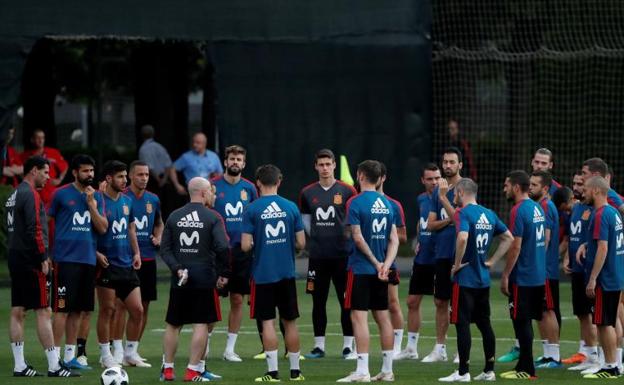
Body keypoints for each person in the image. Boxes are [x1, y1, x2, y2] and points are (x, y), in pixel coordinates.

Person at [7, 155, 77, 377]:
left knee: (18, 310)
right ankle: (54, 366)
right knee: (44, 310)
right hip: (30, 259)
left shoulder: (13, 194)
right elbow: (35, 229)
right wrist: (43, 257)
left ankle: (20, 365)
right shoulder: (31, 195)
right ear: (33, 171)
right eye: (46, 172)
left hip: (15, 256)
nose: (49, 177)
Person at [438, 178, 513, 382]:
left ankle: (463, 372)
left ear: (462, 192)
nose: (454, 198)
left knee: (462, 325)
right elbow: (508, 237)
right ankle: (489, 370)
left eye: (455, 194)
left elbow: (462, 238)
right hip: (483, 280)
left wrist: (456, 264)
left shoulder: (463, 213)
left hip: (465, 280)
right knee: (484, 324)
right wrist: (492, 261)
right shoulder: (489, 214)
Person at [159, 177, 230, 382]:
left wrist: (177, 268)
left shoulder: (174, 216)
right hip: (204, 277)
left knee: (174, 324)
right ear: (204, 192)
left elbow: (165, 249)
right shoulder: (212, 217)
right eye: (211, 191)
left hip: (180, 278)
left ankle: (168, 369)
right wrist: (225, 273)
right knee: (201, 323)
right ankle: (192, 371)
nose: (212, 194)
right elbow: (223, 247)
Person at [241, 164, 306, 382]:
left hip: (263, 274)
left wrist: (258, 242)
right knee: (290, 322)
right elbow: (301, 243)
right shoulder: (290, 207)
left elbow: (244, 245)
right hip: (286, 273)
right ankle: (296, 373)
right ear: (279, 181)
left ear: (258, 182)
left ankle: (273, 373)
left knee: (267, 322)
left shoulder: (251, 209)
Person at [337, 160, 399, 382]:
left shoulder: (355, 202)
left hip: (362, 269)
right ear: (379, 178)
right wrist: (385, 264)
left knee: (359, 317)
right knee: (382, 317)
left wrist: (375, 263)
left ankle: (362, 371)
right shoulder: (387, 204)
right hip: (381, 270)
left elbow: (357, 236)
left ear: (361, 175)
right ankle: (387, 369)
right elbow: (394, 240)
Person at [48, 154, 108, 370]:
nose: (90, 175)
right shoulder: (60, 194)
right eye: (85, 171)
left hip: (88, 262)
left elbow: (102, 228)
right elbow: (46, 222)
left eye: (92, 171)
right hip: (66, 261)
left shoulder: (97, 197)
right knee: (62, 309)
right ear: (75, 172)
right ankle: (53, 359)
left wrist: (91, 204)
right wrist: (47, 253)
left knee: (79, 311)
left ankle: (71, 357)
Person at [298, 149, 357, 360]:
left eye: (328, 164)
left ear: (334, 165)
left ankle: (348, 346)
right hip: (318, 257)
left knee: (346, 301)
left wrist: (345, 237)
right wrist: (319, 237)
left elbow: (353, 219)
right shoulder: (307, 193)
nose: (324, 168)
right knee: (318, 301)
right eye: (320, 164)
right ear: (315, 166)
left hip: (343, 256)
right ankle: (319, 347)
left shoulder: (348, 191)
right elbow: (306, 221)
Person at [110, 161, 163, 367]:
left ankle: (133, 350)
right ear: (130, 176)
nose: (144, 178)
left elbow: (159, 223)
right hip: (125, 259)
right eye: (140, 174)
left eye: (147, 174)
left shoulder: (153, 199)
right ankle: (117, 350)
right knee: (120, 305)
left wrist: (158, 237)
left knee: (144, 306)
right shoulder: (122, 198)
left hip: (148, 259)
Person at [210, 145, 259, 362]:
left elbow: (256, 217)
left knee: (237, 299)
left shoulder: (249, 188)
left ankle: (230, 349)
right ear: (225, 162)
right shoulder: (212, 186)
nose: (235, 162)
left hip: (241, 252)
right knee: (211, 300)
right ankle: (205, 344)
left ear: (244, 163)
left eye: (239, 159)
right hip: (216, 252)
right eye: (232, 159)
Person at [95, 161, 144, 369]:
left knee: (138, 310)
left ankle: (129, 354)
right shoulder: (97, 200)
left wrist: (136, 252)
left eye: (125, 176)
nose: (125, 180)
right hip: (107, 264)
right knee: (108, 310)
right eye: (120, 177)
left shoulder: (127, 201)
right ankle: (105, 355)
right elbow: (88, 229)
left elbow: (131, 228)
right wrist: (95, 252)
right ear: (108, 179)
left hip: (126, 263)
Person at [499, 170, 546, 380]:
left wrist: (506, 274)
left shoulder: (518, 210)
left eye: (507, 185)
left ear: (516, 187)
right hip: (537, 274)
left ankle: (527, 369)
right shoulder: (537, 208)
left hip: (523, 276)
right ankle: (523, 366)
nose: (504, 189)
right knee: (525, 321)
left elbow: (515, 246)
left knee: (521, 321)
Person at [577, 176, 624, 379]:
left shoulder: (600, 214)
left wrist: (593, 278)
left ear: (596, 190)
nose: (583, 192)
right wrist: (588, 245)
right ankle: (613, 363)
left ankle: (611, 366)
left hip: (605, 279)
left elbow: (604, 248)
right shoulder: (614, 213)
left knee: (604, 324)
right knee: (610, 321)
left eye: (586, 189)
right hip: (616, 276)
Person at [395, 164, 440, 361]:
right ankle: (411, 348)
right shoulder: (421, 199)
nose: (434, 182)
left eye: (437, 178)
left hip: (441, 258)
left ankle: (444, 348)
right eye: (430, 179)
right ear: (423, 180)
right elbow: (422, 221)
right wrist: (419, 240)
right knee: (412, 301)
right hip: (423, 258)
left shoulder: (448, 198)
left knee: (443, 303)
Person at [423, 147, 463, 362]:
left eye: (451, 162)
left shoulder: (467, 188)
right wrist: (450, 219)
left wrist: (450, 219)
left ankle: (461, 349)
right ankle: (440, 348)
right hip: (441, 253)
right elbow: (429, 225)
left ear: (460, 165)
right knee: (440, 301)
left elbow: (465, 219)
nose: (447, 165)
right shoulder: (439, 190)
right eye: (445, 162)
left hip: (460, 252)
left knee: (460, 302)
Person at [560, 172, 599, 371]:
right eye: (574, 183)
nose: (576, 187)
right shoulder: (576, 208)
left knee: (593, 315)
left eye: (581, 184)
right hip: (576, 269)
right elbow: (573, 236)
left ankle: (599, 357)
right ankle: (590, 356)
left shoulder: (596, 209)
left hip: (589, 269)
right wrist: (567, 257)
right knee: (582, 314)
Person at [528, 170, 562, 368]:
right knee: (541, 311)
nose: (530, 187)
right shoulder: (539, 206)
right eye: (530, 184)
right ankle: (548, 354)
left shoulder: (546, 207)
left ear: (545, 188)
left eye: (534, 185)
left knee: (548, 311)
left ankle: (555, 356)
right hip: (541, 270)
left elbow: (546, 239)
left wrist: (536, 263)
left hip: (545, 270)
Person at [377, 162, 408, 357]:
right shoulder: (357, 201)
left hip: (387, 261)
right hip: (363, 262)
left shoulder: (393, 204)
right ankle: (352, 348)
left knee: (393, 303)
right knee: (357, 307)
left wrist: (384, 234)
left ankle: (397, 347)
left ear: (383, 178)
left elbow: (403, 237)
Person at [20, 129, 68, 207]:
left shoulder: (53, 152)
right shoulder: (24, 156)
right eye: (38, 138)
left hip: (50, 192)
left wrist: (60, 179)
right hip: (33, 193)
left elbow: (65, 166)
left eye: (42, 138)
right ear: (32, 140)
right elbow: (20, 171)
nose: (41, 140)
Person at [138, 124, 173, 191]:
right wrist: (164, 179)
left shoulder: (143, 149)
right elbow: (168, 164)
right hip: (164, 178)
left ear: (142, 135)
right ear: (153, 134)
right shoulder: (160, 147)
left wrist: (159, 180)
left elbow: (149, 167)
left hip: (152, 180)